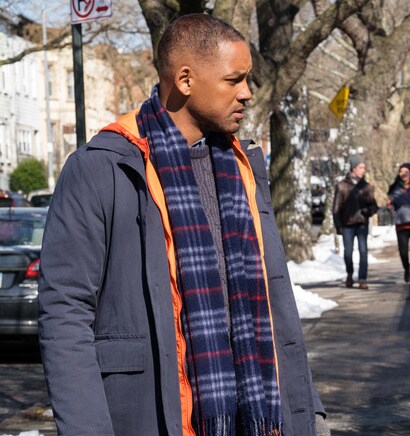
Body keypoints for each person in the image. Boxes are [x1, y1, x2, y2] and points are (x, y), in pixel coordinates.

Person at [38, 14, 329, 436]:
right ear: (186, 80)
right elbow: (65, 312)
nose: (247, 93)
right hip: (151, 417)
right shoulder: (103, 166)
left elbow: (274, 301)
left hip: (258, 417)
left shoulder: (244, 166)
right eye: (235, 80)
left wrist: (306, 407)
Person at [332, 155, 378, 289]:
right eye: (360, 167)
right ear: (353, 168)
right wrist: (338, 226)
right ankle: (350, 274)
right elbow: (335, 208)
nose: (363, 170)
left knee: (363, 251)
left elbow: (374, 206)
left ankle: (362, 279)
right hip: (347, 225)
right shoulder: (341, 186)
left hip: (362, 224)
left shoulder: (366, 186)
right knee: (348, 252)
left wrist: (367, 212)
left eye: (364, 167)